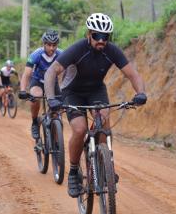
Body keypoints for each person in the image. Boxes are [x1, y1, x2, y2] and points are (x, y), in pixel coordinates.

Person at [44, 12, 147, 198]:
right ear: (88, 34)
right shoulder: (78, 49)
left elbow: (133, 74)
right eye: (97, 36)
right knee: (79, 128)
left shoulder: (112, 51)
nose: (101, 40)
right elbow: (52, 72)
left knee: (104, 122)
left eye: (105, 36)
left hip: (96, 90)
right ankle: (74, 172)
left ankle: (105, 164)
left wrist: (140, 93)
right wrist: (51, 97)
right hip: (72, 92)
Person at [18, 29, 62, 139]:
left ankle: (54, 131)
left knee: (57, 110)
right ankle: (34, 122)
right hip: (38, 81)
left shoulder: (61, 54)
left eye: (54, 45)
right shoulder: (36, 54)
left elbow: (68, 72)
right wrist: (23, 89)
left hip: (52, 83)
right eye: (49, 45)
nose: (51, 48)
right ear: (44, 44)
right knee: (36, 97)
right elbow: (27, 74)